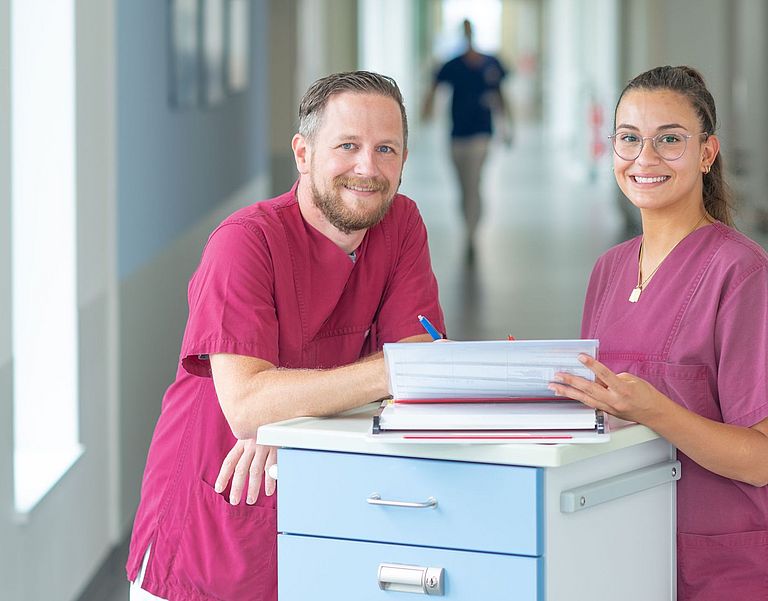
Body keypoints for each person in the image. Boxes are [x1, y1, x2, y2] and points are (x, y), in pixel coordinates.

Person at [125, 71, 445, 601]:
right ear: (303, 153)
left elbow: (419, 366)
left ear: (405, 160)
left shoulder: (401, 224)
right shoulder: (243, 244)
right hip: (213, 526)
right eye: (348, 145)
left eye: (386, 148)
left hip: (319, 506)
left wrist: (288, 413)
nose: (368, 168)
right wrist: (385, 372)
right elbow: (248, 405)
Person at [548, 66, 768, 600]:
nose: (644, 158)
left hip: (718, 565)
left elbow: (760, 460)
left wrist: (654, 410)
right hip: (620, 545)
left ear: (707, 153)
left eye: (670, 139)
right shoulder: (609, 268)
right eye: (629, 139)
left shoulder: (741, 272)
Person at [422, 18, 512, 260]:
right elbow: (433, 89)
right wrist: (423, 114)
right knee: (464, 186)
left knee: (474, 182)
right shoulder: (452, 64)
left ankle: (472, 232)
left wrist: (507, 126)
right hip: (457, 135)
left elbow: (501, 96)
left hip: (482, 133)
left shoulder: (491, 63)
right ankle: (468, 225)